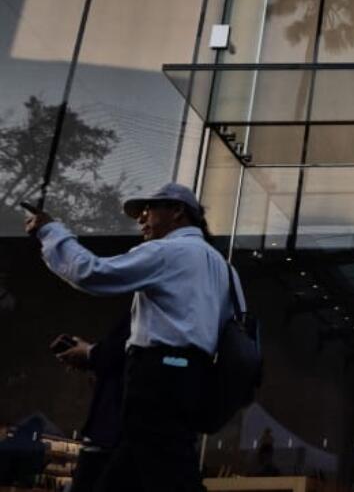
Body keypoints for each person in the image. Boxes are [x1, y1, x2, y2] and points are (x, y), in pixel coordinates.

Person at [24, 182, 240, 492]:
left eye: (147, 210)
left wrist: (51, 232)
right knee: (136, 471)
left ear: (177, 211)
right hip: (193, 378)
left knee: (174, 476)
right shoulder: (222, 267)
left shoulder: (169, 251)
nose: (140, 219)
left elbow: (92, 272)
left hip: (158, 377)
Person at [54, 312, 131, 492]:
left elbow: (123, 354)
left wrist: (91, 353)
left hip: (109, 436)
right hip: (113, 435)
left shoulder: (146, 310)